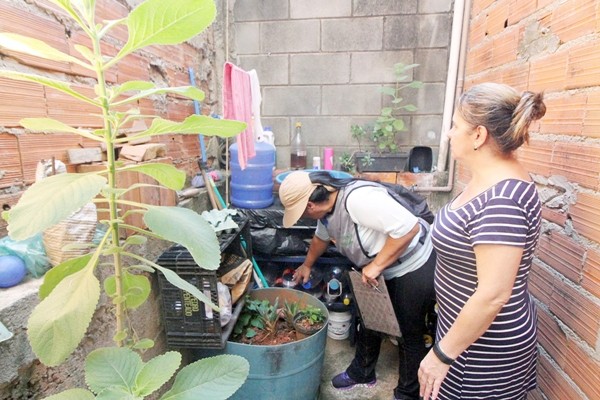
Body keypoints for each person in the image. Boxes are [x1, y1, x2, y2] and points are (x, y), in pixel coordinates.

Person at [418, 83, 546, 400]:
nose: (449, 134)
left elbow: (493, 294)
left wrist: (442, 356)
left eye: (455, 126)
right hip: (464, 336)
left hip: (481, 351)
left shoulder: (503, 199)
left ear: (478, 135)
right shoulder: (486, 178)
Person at [279, 170, 436, 400]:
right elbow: (321, 238)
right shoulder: (327, 213)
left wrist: (376, 266)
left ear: (311, 205)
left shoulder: (358, 200)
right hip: (380, 267)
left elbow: (408, 229)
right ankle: (362, 373)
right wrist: (307, 265)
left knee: (408, 331)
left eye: (300, 212)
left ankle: (407, 394)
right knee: (369, 319)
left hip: (413, 263)